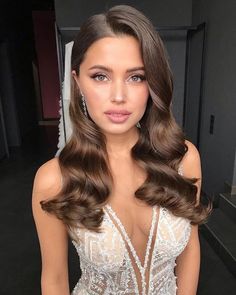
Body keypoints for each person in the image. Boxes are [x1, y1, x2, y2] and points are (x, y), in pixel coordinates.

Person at [32, 5, 212, 295]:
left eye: (136, 77)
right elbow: (54, 280)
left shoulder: (183, 159)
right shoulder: (54, 180)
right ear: (78, 83)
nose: (118, 96)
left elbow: (190, 247)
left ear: (152, 83)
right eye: (100, 76)